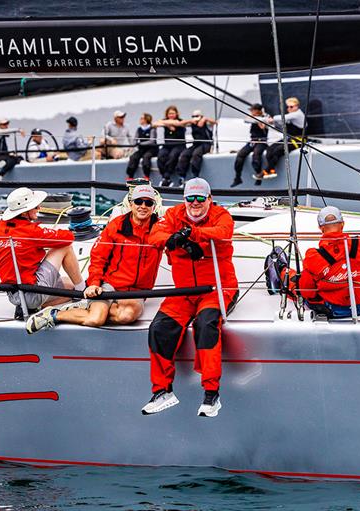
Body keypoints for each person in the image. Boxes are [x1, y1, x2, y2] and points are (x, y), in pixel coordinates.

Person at [143, 178, 238, 418]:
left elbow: (223, 232)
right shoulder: (174, 214)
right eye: (190, 198)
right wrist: (178, 240)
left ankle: (211, 394)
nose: (195, 203)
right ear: (184, 199)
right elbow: (154, 236)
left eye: (200, 198)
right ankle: (163, 391)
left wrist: (191, 233)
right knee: (159, 328)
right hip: (184, 291)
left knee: (205, 325)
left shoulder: (221, 215)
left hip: (217, 288)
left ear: (209, 199)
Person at [25, 184, 163, 332]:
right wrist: (94, 283)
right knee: (95, 320)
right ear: (131, 204)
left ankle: (86, 308)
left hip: (137, 290)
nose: (143, 206)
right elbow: (98, 257)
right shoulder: (115, 226)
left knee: (126, 317)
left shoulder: (162, 228)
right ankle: (54, 315)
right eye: (138, 202)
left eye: (148, 202)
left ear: (153, 206)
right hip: (110, 285)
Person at [0, 187, 86, 314]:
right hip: (32, 292)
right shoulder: (30, 231)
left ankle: (33, 307)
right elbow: (68, 238)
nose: (39, 208)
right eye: (35, 207)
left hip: (14, 296)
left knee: (70, 286)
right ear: (24, 213)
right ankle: (84, 292)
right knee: (64, 247)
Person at [297, 205, 360, 318]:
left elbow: (307, 292)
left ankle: (281, 272)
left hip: (331, 308)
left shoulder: (313, 257)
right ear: (342, 224)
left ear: (321, 228)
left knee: (296, 283)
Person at [261, 97, 305, 179]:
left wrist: (272, 119)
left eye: (291, 107)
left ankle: (267, 170)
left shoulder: (298, 114)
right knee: (270, 149)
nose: (289, 108)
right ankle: (272, 170)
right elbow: (281, 124)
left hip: (299, 141)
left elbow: (282, 118)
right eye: (288, 107)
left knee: (278, 150)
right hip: (290, 139)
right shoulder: (290, 116)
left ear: (297, 106)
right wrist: (270, 121)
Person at [175, 110, 217, 184]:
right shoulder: (191, 124)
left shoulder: (207, 123)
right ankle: (181, 176)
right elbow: (179, 124)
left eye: (197, 116)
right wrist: (190, 121)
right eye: (193, 116)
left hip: (206, 143)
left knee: (196, 154)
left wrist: (205, 119)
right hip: (196, 144)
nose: (195, 118)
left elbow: (215, 122)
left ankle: (195, 175)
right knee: (184, 154)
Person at [232, 103, 269, 187]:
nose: (251, 112)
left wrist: (260, 121)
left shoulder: (265, 118)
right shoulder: (254, 118)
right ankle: (237, 177)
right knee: (240, 155)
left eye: (253, 110)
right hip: (252, 141)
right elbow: (246, 120)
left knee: (256, 156)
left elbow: (264, 126)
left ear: (258, 111)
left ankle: (258, 176)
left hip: (261, 142)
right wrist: (256, 119)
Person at [153, 106, 190, 187]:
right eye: (169, 113)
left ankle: (166, 177)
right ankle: (165, 178)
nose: (171, 115)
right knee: (160, 156)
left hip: (179, 145)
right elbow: (154, 124)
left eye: (173, 113)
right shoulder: (164, 121)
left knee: (173, 156)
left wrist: (167, 123)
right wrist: (169, 125)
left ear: (176, 113)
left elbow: (179, 123)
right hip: (167, 145)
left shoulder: (181, 121)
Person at [126, 113, 158, 180]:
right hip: (142, 149)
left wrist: (140, 143)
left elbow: (152, 141)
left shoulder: (152, 129)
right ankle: (130, 176)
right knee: (133, 157)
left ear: (146, 119)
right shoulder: (139, 129)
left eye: (142, 118)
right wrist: (133, 144)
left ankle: (146, 176)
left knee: (146, 157)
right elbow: (135, 140)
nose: (140, 120)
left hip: (151, 149)